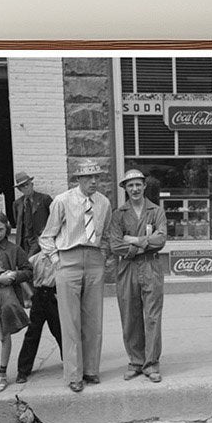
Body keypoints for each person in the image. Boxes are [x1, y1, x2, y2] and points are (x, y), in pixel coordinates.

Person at [38, 160, 112, 393]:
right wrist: (56, 261)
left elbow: (106, 233)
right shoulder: (62, 201)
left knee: (93, 319)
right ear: (78, 180)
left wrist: (104, 257)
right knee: (70, 321)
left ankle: (91, 370)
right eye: (88, 178)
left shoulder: (103, 202)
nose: (93, 182)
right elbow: (46, 236)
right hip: (68, 260)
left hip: (93, 260)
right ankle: (73, 374)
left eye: (96, 177)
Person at [109, 169, 167, 383]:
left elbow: (160, 239)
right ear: (125, 188)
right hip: (127, 269)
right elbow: (115, 245)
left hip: (151, 267)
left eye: (138, 185)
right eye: (130, 185)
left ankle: (151, 363)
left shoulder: (156, 211)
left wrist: (134, 240)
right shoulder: (118, 214)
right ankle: (135, 361)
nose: (134, 189)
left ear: (144, 186)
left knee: (152, 316)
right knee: (130, 316)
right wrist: (144, 243)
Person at [0, 211, 31, 394]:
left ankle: (2, 374)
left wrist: (14, 276)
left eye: (0, 229)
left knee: (5, 334)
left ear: (7, 229)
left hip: (5, 297)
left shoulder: (14, 249)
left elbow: (28, 270)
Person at [15, 249, 63, 385]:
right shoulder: (34, 259)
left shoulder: (61, 257)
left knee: (60, 330)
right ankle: (23, 370)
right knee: (32, 333)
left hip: (54, 296)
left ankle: (69, 363)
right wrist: (30, 294)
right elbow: (22, 277)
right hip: (39, 295)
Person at [12, 171, 53, 257]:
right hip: (24, 241)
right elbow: (18, 222)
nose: (26, 187)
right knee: (25, 265)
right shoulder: (17, 203)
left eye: (27, 184)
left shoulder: (44, 199)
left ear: (32, 184)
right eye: (22, 186)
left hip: (39, 239)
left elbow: (54, 219)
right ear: (19, 189)